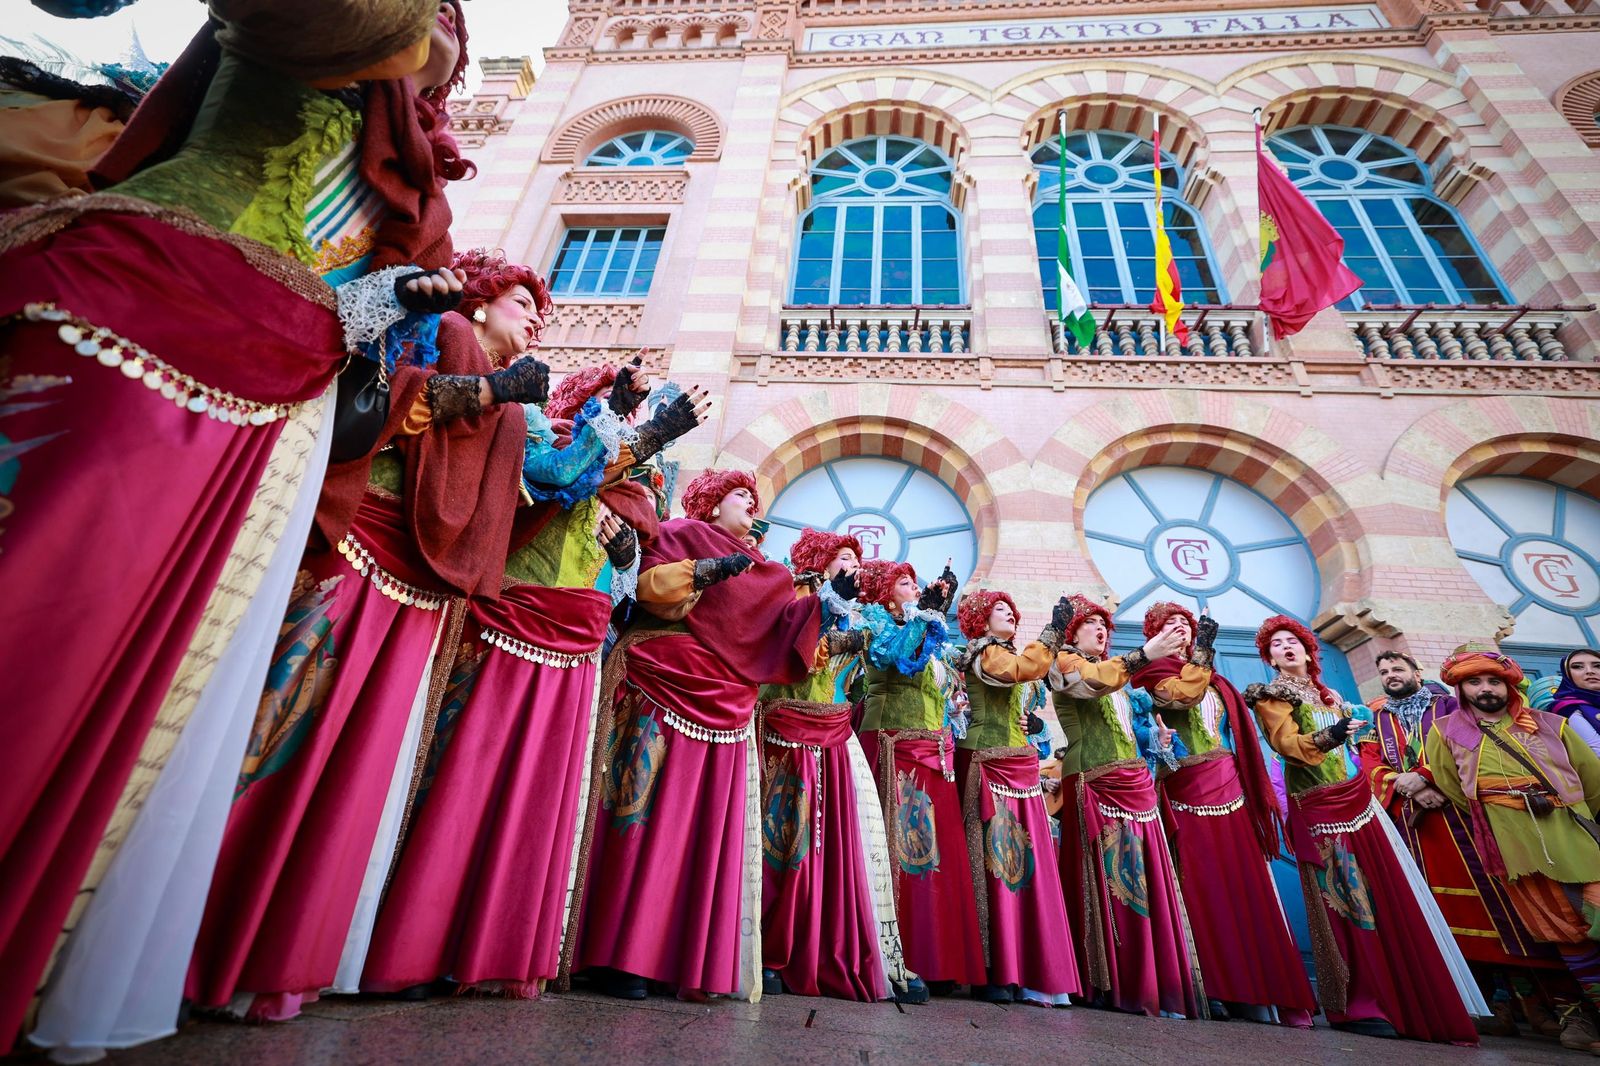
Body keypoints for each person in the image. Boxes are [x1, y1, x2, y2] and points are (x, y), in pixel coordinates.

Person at [1, 1, 447, 1052]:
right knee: (46, 603)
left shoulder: (407, 137)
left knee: (162, 661)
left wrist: (385, 304)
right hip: (150, 301)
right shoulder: (336, 32)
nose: (443, 50)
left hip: (280, 378)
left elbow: (347, 307)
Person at [569, 470, 821, 1001]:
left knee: (691, 834)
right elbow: (647, 591)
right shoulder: (679, 532)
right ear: (709, 505)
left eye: (755, 498)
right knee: (635, 815)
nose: (751, 502)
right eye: (739, 495)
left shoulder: (771, 575)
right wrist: (705, 572)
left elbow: (786, 641)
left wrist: (826, 604)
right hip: (661, 680)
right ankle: (609, 950)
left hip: (727, 709)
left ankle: (666, 956)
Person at [1244, 616, 1484, 1042]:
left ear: (1307, 649)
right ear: (1269, 658)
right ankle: (1361, 1004)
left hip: (1358, 801)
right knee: (1347, 899)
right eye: (1275, 645)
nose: (1285, 647)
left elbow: (1356, 750)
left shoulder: (1331, 695)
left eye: (1292, 640)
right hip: (1319, 809)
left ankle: (1407, 997)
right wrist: (1332, 735)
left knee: (1385, 896)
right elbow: (1289, 747)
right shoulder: (1272, 696)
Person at [1359, 649, 1570, 1039]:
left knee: (1506, 904)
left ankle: (1540, 1002)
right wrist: (1402, 786)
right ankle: (1490, 1004)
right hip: (1418, 827)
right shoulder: (1378, 719)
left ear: (1416, 671)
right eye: (1384, 671)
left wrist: (1426, 778)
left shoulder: (1449, 705)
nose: (1390, 675)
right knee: (1444, 911)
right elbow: (1369, 762)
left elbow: (1467, 744)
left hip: (1466, 816)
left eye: (1397, 668)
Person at [1129, 603, 1315, 1027]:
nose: (1181, 631)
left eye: (1186, 626)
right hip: (1184, 790)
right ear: (1154, 636)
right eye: (1169, 626)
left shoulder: (1219, 679)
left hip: (1230, 786)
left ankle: (1264, 990)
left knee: (1245, 886)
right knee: (1201, 889)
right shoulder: (1150, 677)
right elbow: (1182, 696)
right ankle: (1211, 986)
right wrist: (1200, 659)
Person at [755, 529, 918, 1003]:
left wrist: (920, 614)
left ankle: (831, 948)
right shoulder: (790, 593)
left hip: (835, 740)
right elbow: (801, 653)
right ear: (820, 561)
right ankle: (768, 951)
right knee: (784, 842)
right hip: (784, 734)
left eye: (857, 558)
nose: (854, 564)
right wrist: (830, 608)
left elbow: (890, 653)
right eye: (844, 556)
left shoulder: (863, 615)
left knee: (839, 851)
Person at [1428, 645, 1600, 1054]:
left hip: (1572, 834)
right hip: (1512, 846)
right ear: (1461, 688)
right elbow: (1451, 786)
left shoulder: (1551, 724)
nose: (1486, 688)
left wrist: (1568, 812)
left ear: (1509, 685)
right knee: (1562, 931)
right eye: (1475, 681)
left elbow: (1593, 782)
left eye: (1494, 680)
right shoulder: (1444, 732)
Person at [1048, 596, 1198, 1018]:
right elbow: (1090, 684)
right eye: (1090, 622)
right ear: (1071, 632)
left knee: (1147, 880)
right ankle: (1109, 980)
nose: (1101, 629)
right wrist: (1146, 653)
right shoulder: (1065, 664)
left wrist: (1156, 743)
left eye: (1104, 623)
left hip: (1137, 786)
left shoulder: (1124, 680)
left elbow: (1127, 728)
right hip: (1094, 782)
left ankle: (1155, 981)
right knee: (1112, 875)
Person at [851, 559, 981, 995]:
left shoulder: (932, 632)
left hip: (933, 752)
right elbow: (895, 658)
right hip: (892, 744)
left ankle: (938, 958)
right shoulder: (874, 620)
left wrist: (953, 712)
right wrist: (926, 614)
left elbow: (943, 689)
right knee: (899, 848)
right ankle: (895, 955)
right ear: (887, 593)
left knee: (934, 855)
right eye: (905, 583)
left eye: (916, 583)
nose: (915, 589)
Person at [951, 590, 1081, 1006]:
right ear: (979, 620)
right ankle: (993, 969)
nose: (1008, 614)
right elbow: (1021, 668)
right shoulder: (986, 653)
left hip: (1020, 765)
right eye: (998, 610)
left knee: (1025, 863)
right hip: (986, 760)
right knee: (992, 856)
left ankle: (1029, 966)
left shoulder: (1012, 656)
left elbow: (1026, 682)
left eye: (1011, 609)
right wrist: (1054, 632)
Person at [1555, 650, 1600, 758]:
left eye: (1598, 666)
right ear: (1567, 675)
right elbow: (1596, 751)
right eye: (1577, 667)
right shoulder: (1568, 708)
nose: (1589, 671)